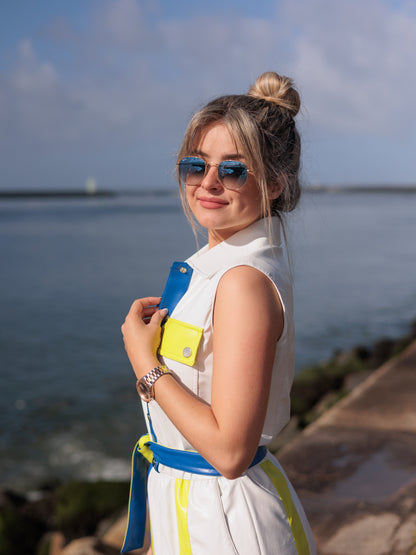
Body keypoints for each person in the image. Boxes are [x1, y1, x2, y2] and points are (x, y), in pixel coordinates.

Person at [121, 71, 316, 555]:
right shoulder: (220, 269)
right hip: (193, 505)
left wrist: (145, 364)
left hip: (225, 521)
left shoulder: (243, 282)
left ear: (274, 185)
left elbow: (230, 452)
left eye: (233, 170)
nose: (208, 182)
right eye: (196, 165)